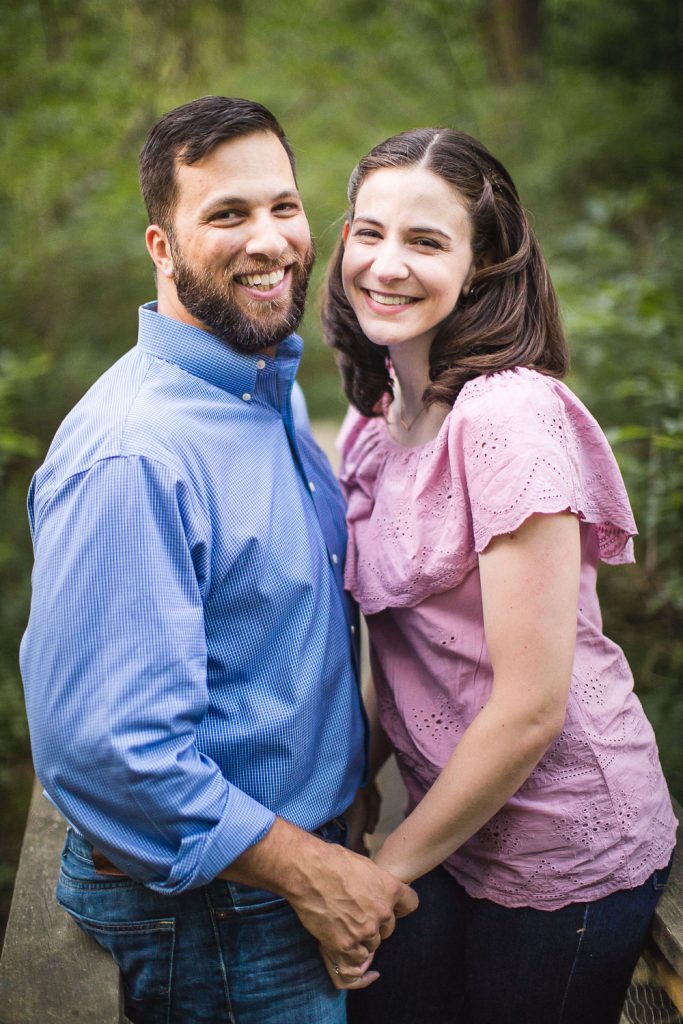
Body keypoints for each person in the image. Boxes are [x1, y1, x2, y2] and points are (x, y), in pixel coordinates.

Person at [19, 96, 417, 1024]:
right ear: (162, 247)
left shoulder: (257, 382)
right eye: (227, 214)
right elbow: (108, 751)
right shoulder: (134, 457)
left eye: (282, 206)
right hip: (215, 915)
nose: (270, 240)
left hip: (280, 876)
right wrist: (312, 870)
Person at [322, 127, 678, 1024]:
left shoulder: (508, 417)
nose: (384, 264)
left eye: (425, 240)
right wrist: (343, 797)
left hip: (560, 837)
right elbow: (399, 657)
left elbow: (529, 707)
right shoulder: (370, 426)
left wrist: (375, 873)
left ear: (481, 266)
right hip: (445, 826)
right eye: (368, 232)